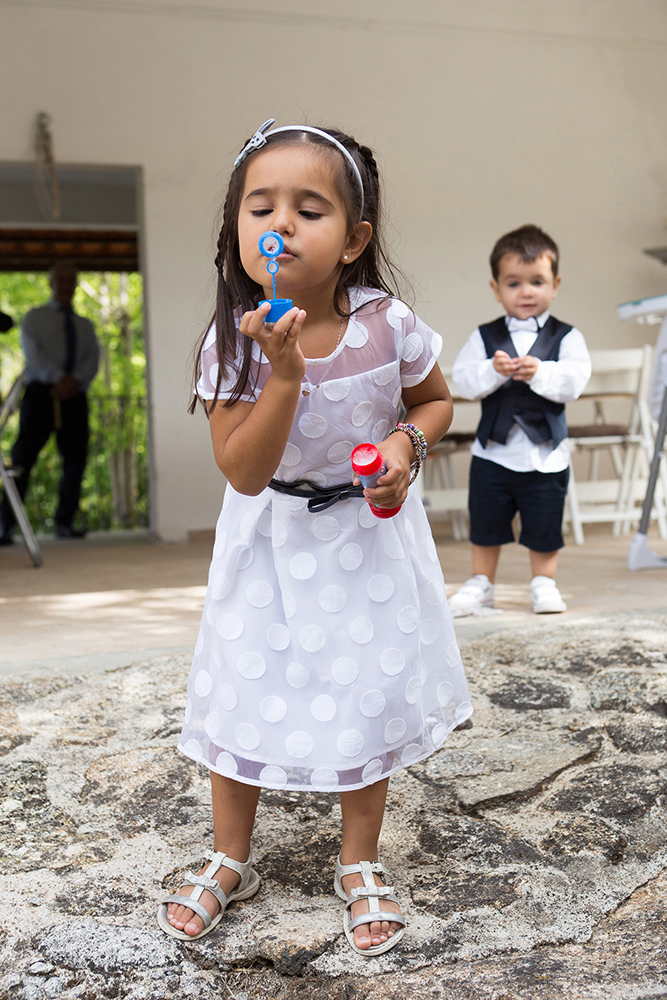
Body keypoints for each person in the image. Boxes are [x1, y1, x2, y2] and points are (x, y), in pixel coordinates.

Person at [156, 120, 472, 956]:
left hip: (369, 543)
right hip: (269, 543)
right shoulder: (233, 341)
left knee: (365, 690)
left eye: (309, 208)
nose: (282, 223)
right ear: (236, 228)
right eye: (261, 205)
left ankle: (358, 860)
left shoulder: (387, 324)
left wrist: (406, 447)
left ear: (353, 239)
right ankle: (231, 856)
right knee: (245, 687)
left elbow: (435, 401)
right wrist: (284, 373)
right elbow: (245, 472)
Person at [449, 224, 591, 617]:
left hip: (545, 456)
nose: (526, 291)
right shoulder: (485, 336)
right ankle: (482, 582)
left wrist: (541, 372)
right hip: (493, 453)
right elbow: (463, 380)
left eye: (537, 281)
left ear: (555, 285)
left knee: (544, 523)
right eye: (514, 283)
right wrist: (493, 371)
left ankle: (544, 582)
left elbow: (575, 381)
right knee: (486, 521)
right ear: (496, 289)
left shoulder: (568, 336)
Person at [0, 261, 99, 543]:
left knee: (75, 459)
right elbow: (34, 355)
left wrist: (74, 381)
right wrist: (57, 378)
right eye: (61, 279)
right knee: (22, 459)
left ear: (76, 284)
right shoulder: (34, 318)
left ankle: (65, 523)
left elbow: (92, 359)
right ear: (51, 284)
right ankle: (5, 525)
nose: (66, 285)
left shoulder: (85, 325)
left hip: (75, 397)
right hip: (41, 395)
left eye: (71, 280)